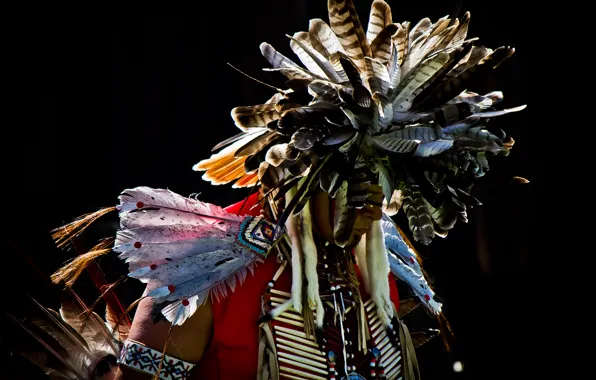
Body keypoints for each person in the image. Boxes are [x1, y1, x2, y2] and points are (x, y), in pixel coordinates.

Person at [48, 0, 526, 379]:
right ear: (304, 174)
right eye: (354, 193)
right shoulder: (202, 272)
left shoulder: (379, 266)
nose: (370, 214)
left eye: (381, 195)